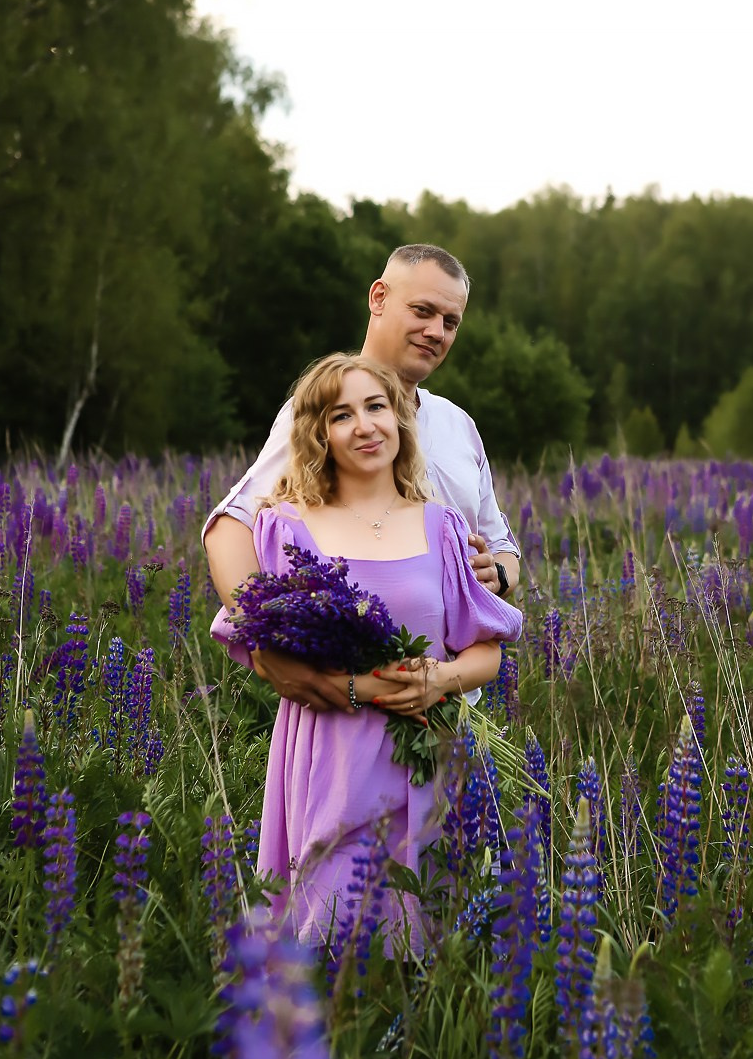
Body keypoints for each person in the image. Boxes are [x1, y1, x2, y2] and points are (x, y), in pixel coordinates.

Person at [212, 352, 522, 946]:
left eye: (376, 407)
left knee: (427, 937)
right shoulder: (284, 528)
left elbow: (488, 653)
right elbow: (271, 651)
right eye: (341, 415)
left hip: (431, 754)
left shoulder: (443, 527)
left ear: (398, 418)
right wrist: (360, 687)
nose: (365, 426)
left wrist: (440, 679)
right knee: (330, 936)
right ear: (318, 434)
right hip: (331, 756)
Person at [204, 243, 520, 711]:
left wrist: (497, 575)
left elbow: (502, 547)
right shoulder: (319, 411)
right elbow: (231, 525)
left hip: (455, 706)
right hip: (349, 708)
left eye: (450, 322)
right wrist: (265, 640)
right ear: (378, 298)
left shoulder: (458, 425)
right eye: (422, 311)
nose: (436, 332)